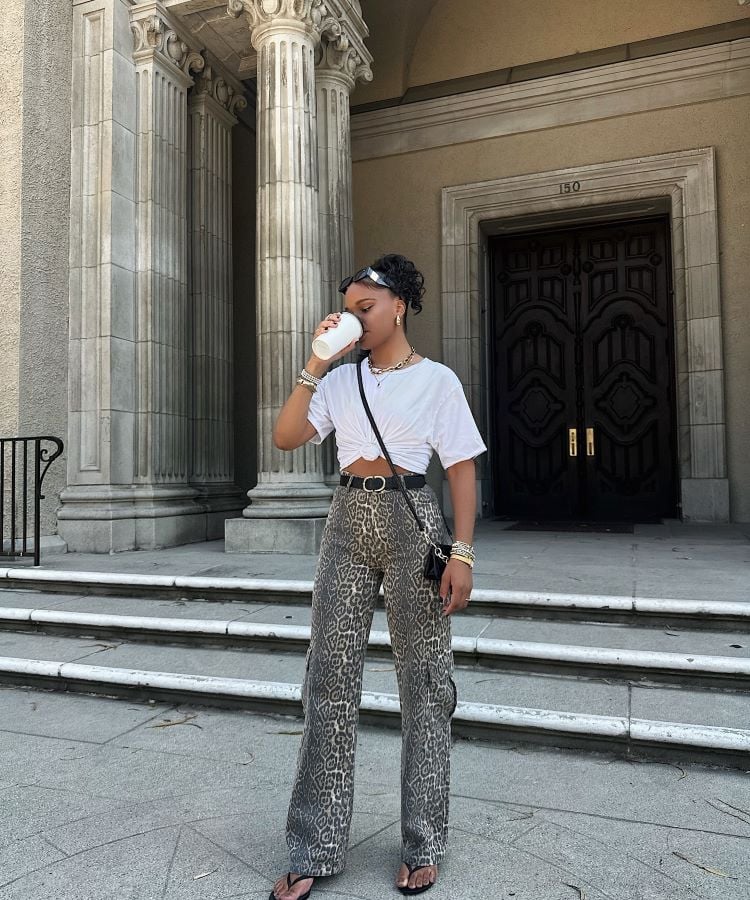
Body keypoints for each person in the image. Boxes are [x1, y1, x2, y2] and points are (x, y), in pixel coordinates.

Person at [269, 254, 487, 900]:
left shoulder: (438, 382)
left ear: (400, 306)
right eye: (350, 309)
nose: (357, 319)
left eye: (367, 307)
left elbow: (461, 471)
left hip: (410, 516)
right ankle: (313, 844)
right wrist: (315, 362)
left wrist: (463, 553)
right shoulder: (338, 384)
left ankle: (423, 841)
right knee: (327, 682)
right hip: (346, 520)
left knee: (424, 683)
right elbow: (285, 438)